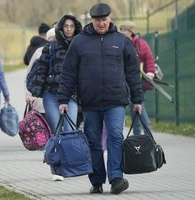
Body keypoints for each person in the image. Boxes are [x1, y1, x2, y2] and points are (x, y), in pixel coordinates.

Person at [57, 3, 144, 194]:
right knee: (93, 141)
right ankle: (97, 180)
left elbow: (132, 73)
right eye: (98, 20)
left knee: (115, 136)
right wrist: (63, 99)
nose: (101, 23)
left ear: (110, 19)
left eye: (104, 20)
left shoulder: (122, 41)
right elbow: (68, 72)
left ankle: (116, 178)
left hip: (116, 100)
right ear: (92, 21)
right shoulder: (79, 42)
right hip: (90, 102)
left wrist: (137, 100)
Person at [30, 15, 82, 181]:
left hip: (71, 96)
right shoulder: (50, 47)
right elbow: (41, 71)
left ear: (75, 28)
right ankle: (56, 169)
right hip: (51, 94)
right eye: (65, 26)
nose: (68, 29)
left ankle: (68, 166)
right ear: (60, 28)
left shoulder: (80, 47)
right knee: (57, 131)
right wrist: (34, 93)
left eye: (71, 26)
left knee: (70, 131)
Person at [119, 20, 155, 135]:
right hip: (125, 81)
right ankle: (137, 136)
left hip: (138, 81)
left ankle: (149, 135)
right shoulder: (121, 43)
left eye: (125, 30)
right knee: (133, 109)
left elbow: (149, 58)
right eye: (121, 30)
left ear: (131, 31)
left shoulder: (140, 43)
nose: (123, 32)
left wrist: (150, 72)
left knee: (139, 106)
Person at [25, 27, 56, 116]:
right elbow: (30, 74)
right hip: (40, 100)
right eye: (51, 38)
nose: (53, 41)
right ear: (47, 39)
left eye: (56, 38)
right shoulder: (40, 51)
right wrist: (28, 95)